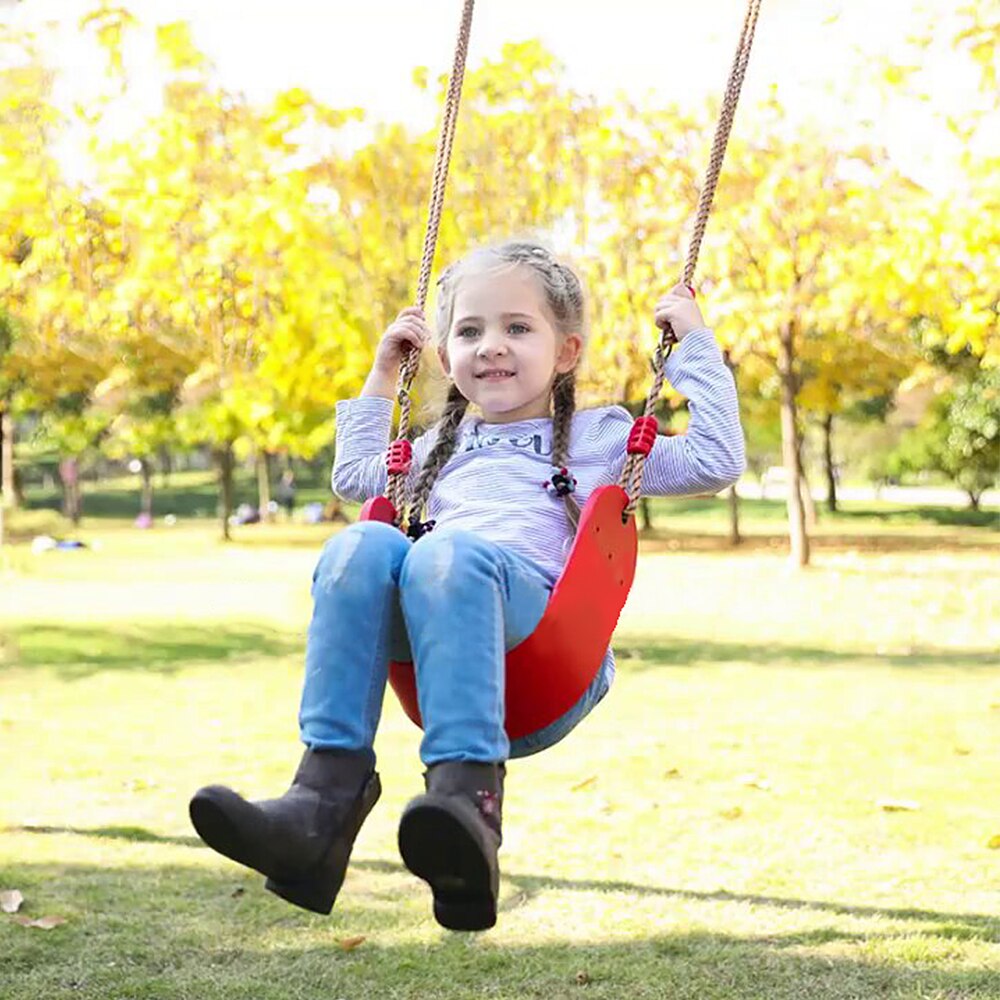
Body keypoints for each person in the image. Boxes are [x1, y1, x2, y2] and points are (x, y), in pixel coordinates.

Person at [189, 240, 745, 932]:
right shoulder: (433, 451)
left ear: (566, 351)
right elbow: (352, 477)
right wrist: (385, 373)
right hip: (445, 641)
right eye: (470, 330)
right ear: (446, 357)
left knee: (446, 553)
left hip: (545, 647)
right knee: (358, 545)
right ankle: (320, 807)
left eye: (518, 327)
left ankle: (468, 802)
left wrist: (696, 345)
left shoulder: (603, 436)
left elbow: (716, 458)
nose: (492, 346)